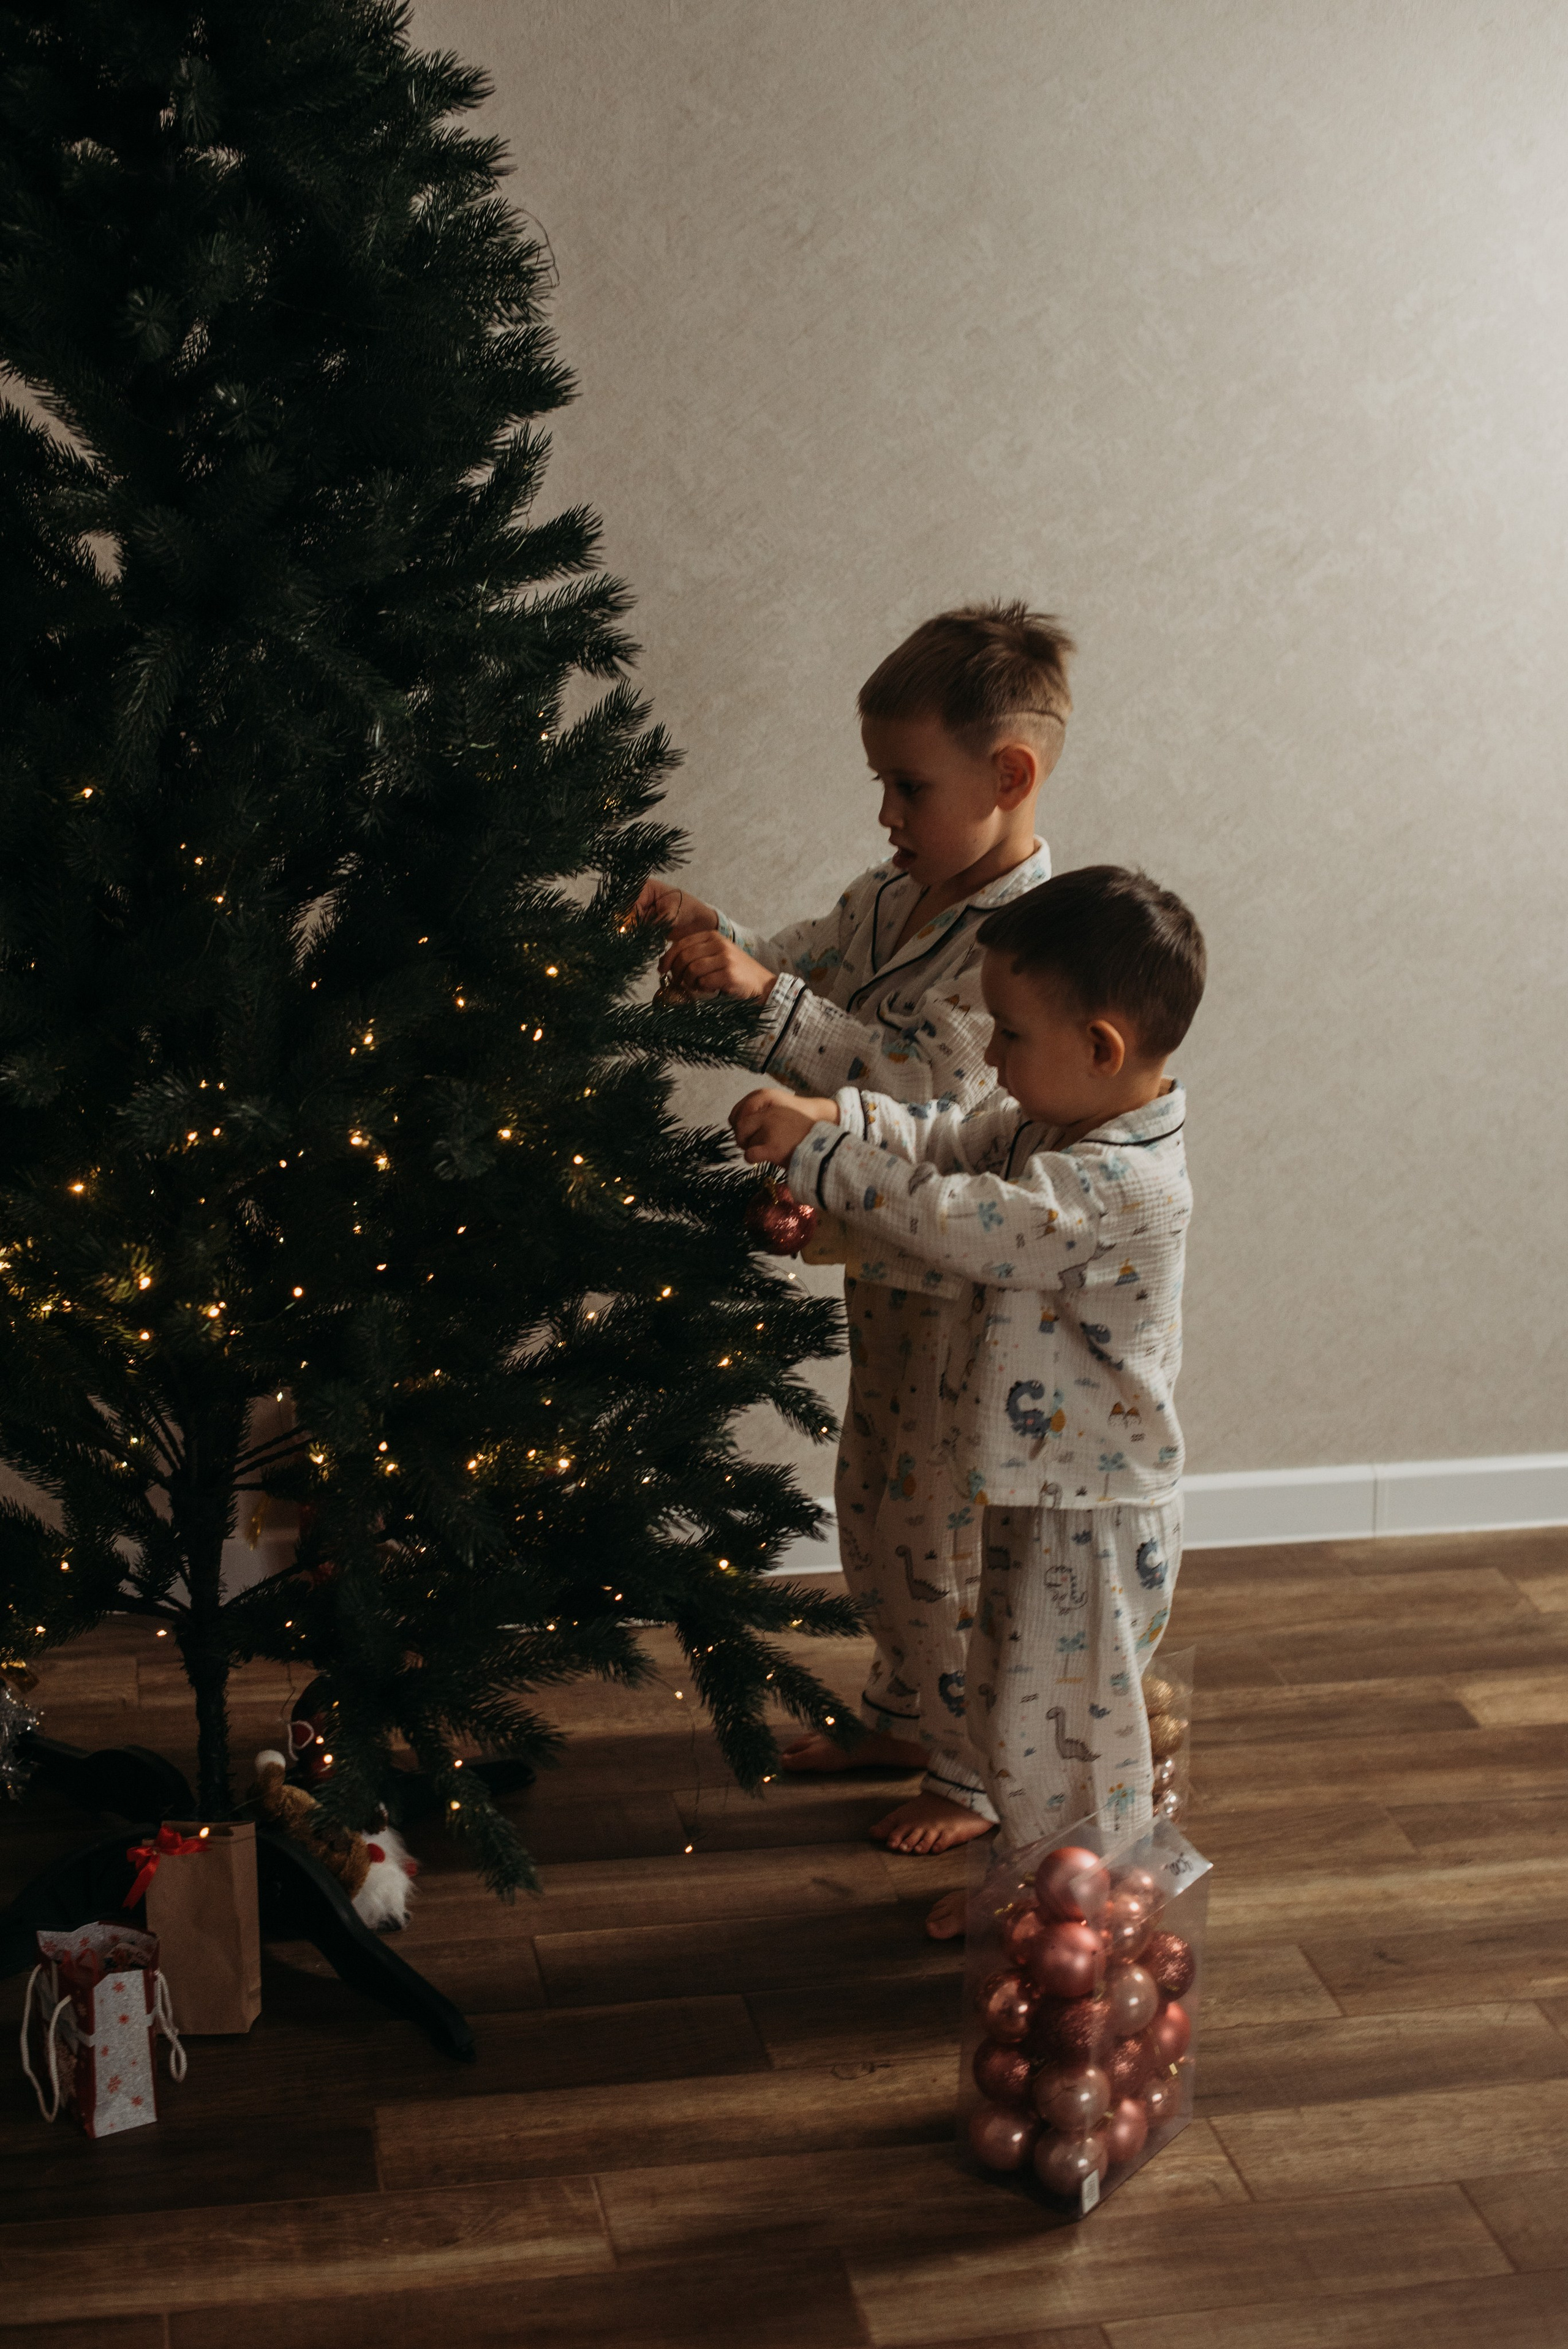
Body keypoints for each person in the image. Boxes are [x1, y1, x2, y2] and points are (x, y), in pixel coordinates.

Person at [631, 603, 1074, 1838]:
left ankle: (976, 1767)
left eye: (908, 786)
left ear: (1008, 776)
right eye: (880, 782)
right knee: (877, 1504)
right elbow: (804, 966)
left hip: (962, 1282)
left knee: (945, 1524)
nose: (886, 812)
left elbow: (937, 1088)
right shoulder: (890, 896)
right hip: (885, 1263)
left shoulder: (1030, 943)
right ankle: (903, 1707)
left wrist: (767, 1002)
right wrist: (714, 940)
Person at [728, 866, 1204, 1929]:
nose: (992, 1059)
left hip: (1092, 1509)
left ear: (1101, 1048)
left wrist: (826, 1159)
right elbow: (948, 1138)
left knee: (1059, 1723)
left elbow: (963, 1222)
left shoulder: (1119, 1186)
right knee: (1014, 1696)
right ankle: (1051, 1882)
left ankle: (1066, 1908)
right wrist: (834, 1114)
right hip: (1045, 1489)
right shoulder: (1056, 1127)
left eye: (1012, 1036)